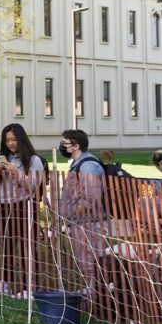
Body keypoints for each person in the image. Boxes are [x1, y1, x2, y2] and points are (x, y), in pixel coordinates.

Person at [0, 123, 45, 298]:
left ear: (21, 139)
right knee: (5, 246)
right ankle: (5, 284)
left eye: (14, 139)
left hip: (23, 205)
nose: (10, 143)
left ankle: (29, 287)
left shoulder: (33, 160)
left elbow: (33, 186)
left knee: (27, 247)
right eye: (7, 140)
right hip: (2, 206)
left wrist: (15, 173)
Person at [58, 129, 107, 307]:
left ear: (76, 145)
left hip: (89, 223)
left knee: (91, 261)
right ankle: (92, 291)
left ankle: (98, 297)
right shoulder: (78, 163)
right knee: (84, 261)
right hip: (78, 222)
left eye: (64, 143)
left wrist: (72, 213)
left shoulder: (88, 166)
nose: (62, 146)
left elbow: (91, 197)